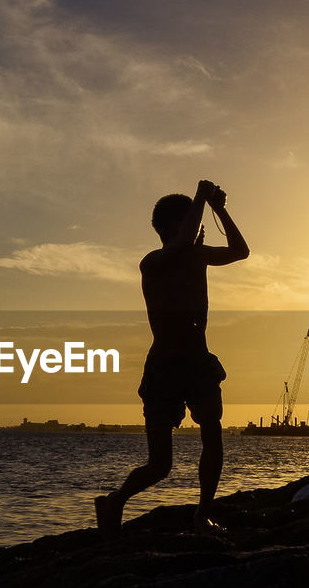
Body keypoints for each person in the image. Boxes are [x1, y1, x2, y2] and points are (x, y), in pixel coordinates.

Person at [95, 180, 249, 538]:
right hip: (164, 367)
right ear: (169, 228)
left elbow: (240, 251)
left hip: (199, 362)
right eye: (189, 222)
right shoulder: (153, 262)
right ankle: (114, 500)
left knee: (213, 433)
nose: (198, 229)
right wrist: (199, 195)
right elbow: (180, 244)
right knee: (160, 464)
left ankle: (202, 514)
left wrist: (219, 207)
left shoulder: (198, 255)